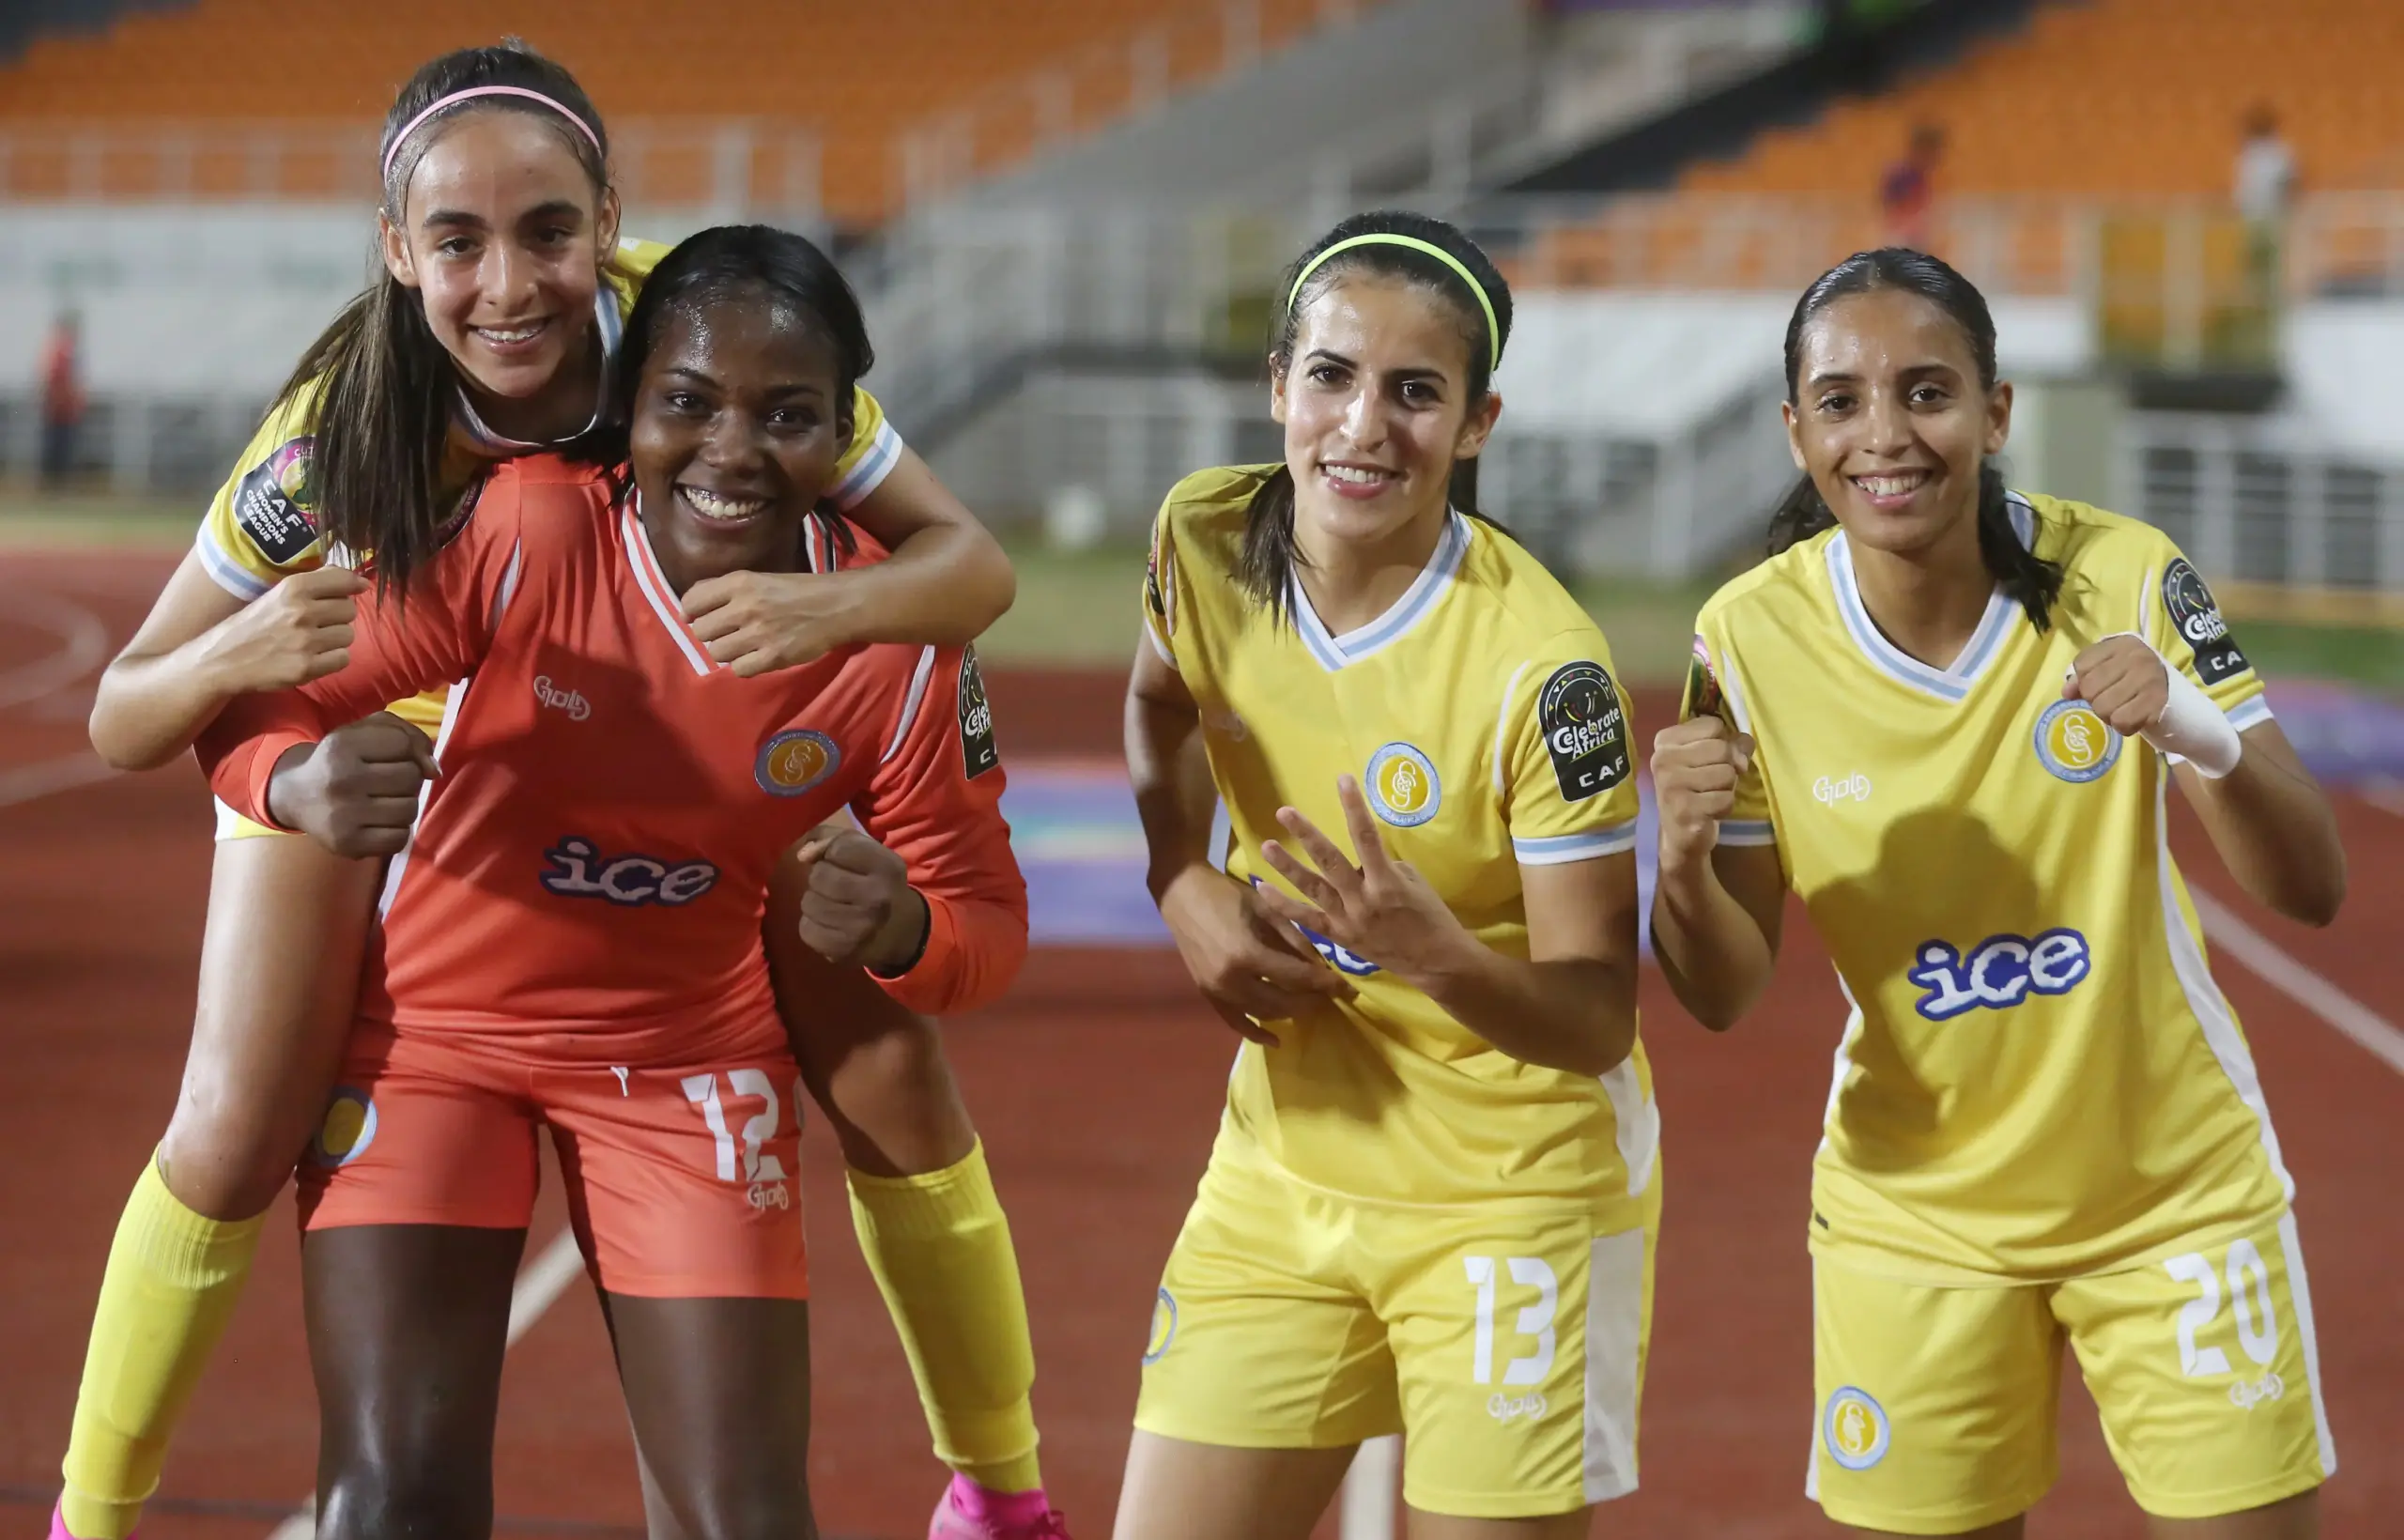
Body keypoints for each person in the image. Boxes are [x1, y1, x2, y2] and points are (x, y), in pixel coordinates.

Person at [59, 43, 1066, 1540]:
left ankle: (1001, 1492)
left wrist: (816, 617)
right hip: (375, 711)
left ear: (607, 221)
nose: (509, 286)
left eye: (547, 232)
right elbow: (125, 711)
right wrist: (262, 704)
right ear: (397, 252)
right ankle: (87, 1514)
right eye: (456, 242)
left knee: (891, 1071)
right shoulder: (339, 436)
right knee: (236, 1120)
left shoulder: (716, 340)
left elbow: (969, 569)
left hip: (665, 661)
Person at [1648, 247, 2345, 1539]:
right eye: (1841, 401)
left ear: (1996, 411)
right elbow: (1723, 987)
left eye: (1927, 391)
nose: (1884, 434)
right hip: (1914, 1218)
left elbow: (2310, 884)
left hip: (2171, 1194)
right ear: (1796, 432)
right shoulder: (1746, 636)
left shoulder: (2123, 573)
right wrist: (1680, 862)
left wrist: (2193, 726)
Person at [1116, 210, 1657, 1540]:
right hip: (1285, 1167)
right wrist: (1180, 876)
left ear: (1476, 424)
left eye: (1416, 392)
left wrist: (1435, 954)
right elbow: (1159, 706)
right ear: (1278, 386)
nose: (1363, 426)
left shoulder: (1545, 669)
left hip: (1510, 1190)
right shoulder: (1201, 537)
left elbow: (1597, 1014)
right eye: (1332, 376)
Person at [2234, 104, 2297, 312]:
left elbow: (2290, 184)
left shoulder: (2280, 153)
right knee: (2255, 265)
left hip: (2273, 218)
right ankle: (2256, 304)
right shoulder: (2248, 156)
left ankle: (2274, 304)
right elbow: (2243, 193)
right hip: (2253, 220)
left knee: (2274, 266)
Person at [1879, 123, 1944, 252]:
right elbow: (1891, 209)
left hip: (1917, 238)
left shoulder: (1925, 178)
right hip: (1901, 237)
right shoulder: (1901, 175)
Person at [39, 309, 84, 490]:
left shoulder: (66, 352)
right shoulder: (61, 353)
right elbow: (54, 381)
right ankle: (54, 485)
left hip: (65, 409)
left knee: (61, 447)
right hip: (60, 410)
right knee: (58, 447)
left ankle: (56, 484)